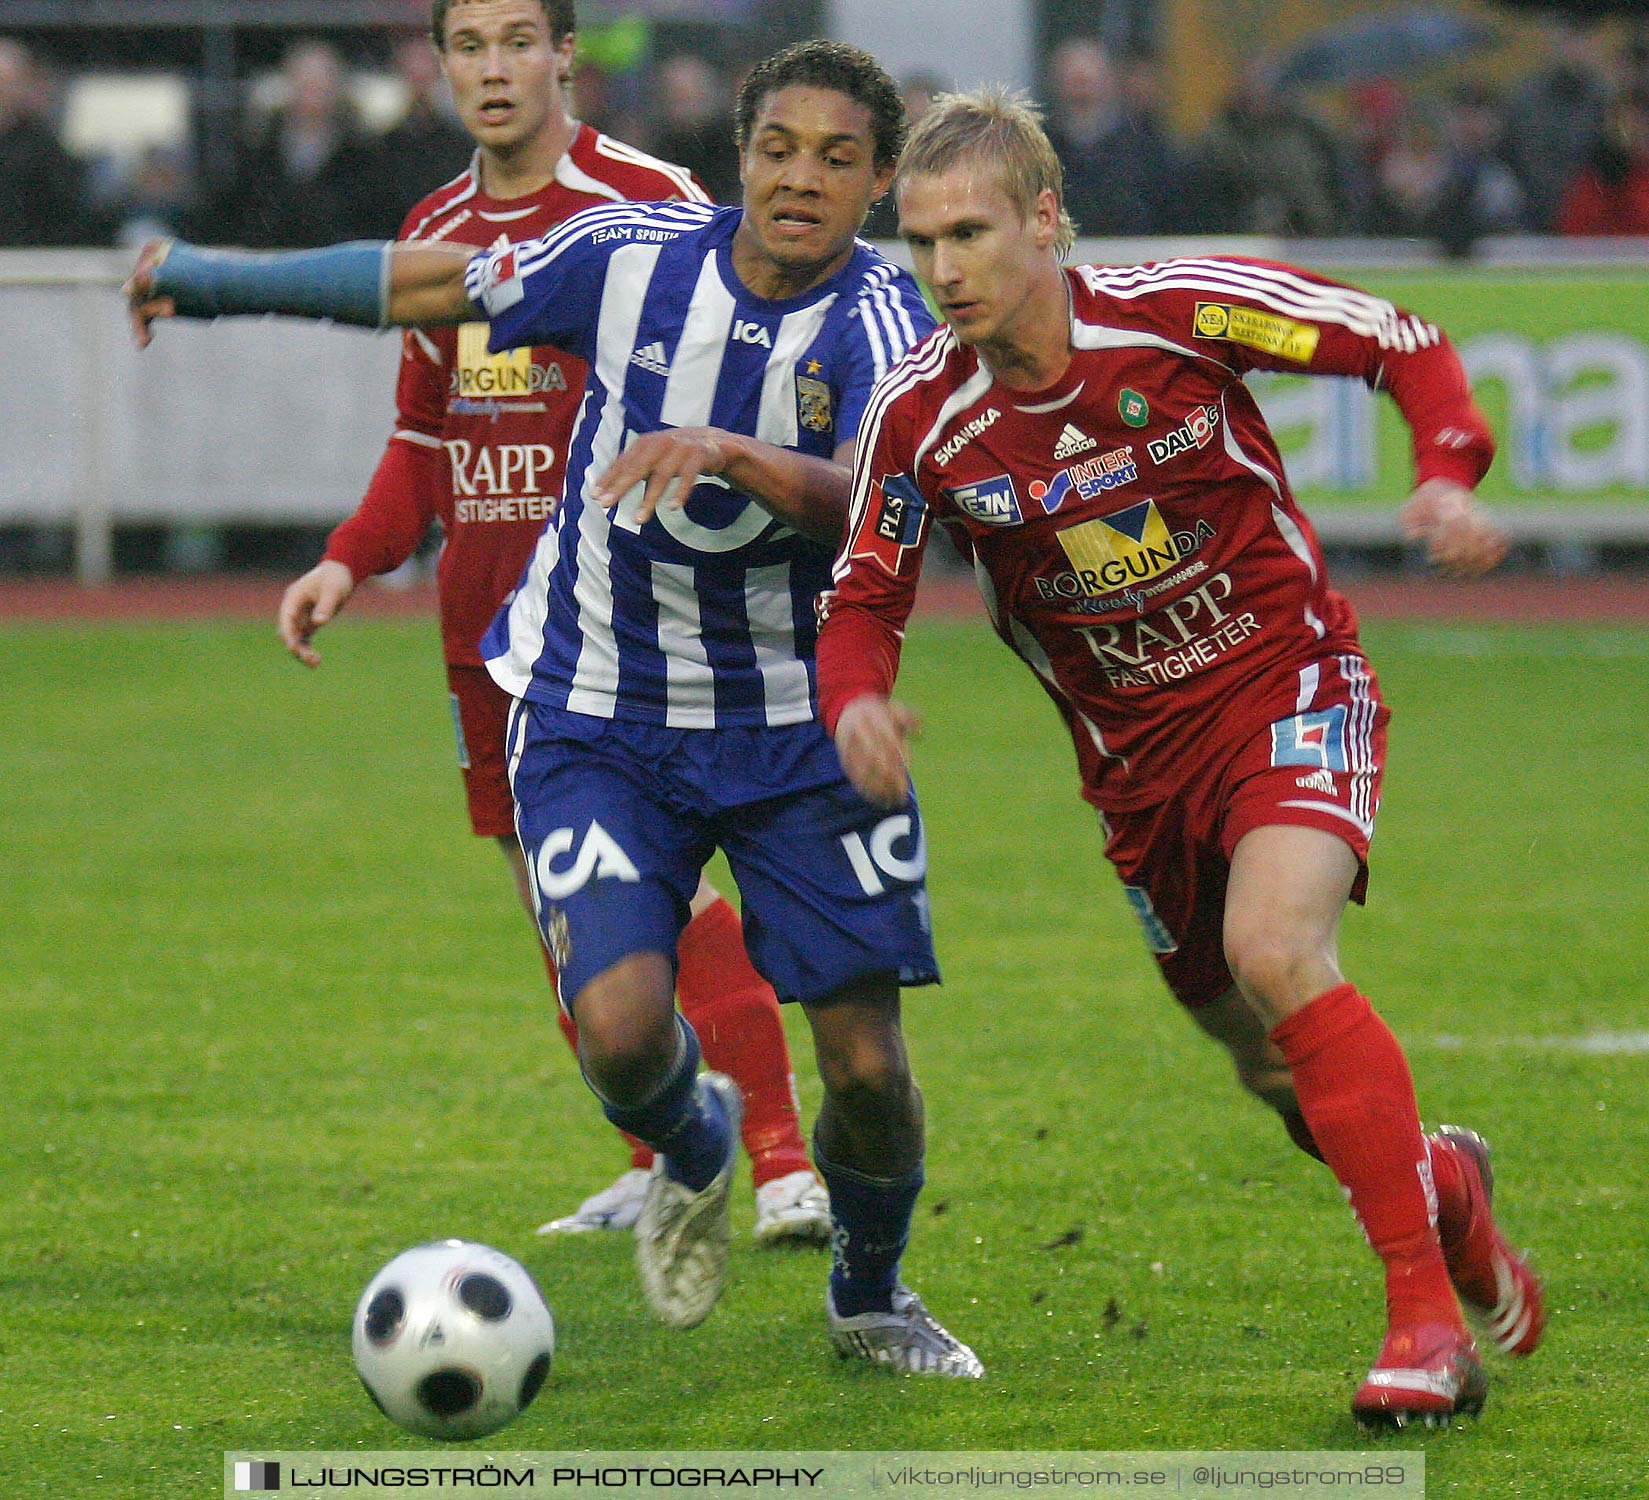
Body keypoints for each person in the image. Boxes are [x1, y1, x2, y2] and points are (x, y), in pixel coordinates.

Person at [128, 39, 980, 1377]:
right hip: (598, 706)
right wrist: (209, 277)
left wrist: (734, 455)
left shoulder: (890, 325)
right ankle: (696, 1150)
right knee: (622, 1028)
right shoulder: (628, 258)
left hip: (797, 726)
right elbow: (422, 287)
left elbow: (886, 508)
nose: (799, 180)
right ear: (740, 158)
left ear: (876, 184)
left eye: (835, 159)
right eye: (776, 149)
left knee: (867, 1069)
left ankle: (870, 1295)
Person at [816, 88, 1546, 1425]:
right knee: (1266, 1064)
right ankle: (1440, 1187)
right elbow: (860, 597)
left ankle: (1425, 1330)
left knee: (1279, 951)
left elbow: (1400, 342)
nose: (943, 269)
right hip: (1136, 773)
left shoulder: (1177, 308)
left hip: (1285, 685)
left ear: (1044, 217)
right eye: (919, 242)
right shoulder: (921, 416)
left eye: (969, 231)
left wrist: (1447, 467)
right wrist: (856, 699)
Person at [274, 0, 830, 1247]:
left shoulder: (646, 199)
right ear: (439, 65)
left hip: (621, 623)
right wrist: (346, 560)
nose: (492, 67)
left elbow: (737, 362)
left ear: (565, 54)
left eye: (517, 39)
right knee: (560, 899)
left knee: (661, 891)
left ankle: (786, 1160)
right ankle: (656, 1156)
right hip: (485, 630)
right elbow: (425, 439)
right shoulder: (436, 233)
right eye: (467, 45)